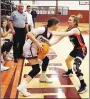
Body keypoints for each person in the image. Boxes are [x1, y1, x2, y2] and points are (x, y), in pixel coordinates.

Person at [17, 17, 60, 96]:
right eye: (58, 25)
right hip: (29, 48)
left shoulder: (49, 34)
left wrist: (62, 37)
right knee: (36, 69)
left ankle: (43, 77)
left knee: (46, 59)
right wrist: (37, 43)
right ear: (54, 25)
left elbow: (50, 44)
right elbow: (29, 34)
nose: (58, 26)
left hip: (34, 49)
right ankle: (22, 86)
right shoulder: (42, 29)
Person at [50, 15, 87, 94]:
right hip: (75, 49)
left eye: (70, 20)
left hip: (82, 50)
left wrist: (52, 32)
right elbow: (58, 39)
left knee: (75, 66)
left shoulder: (75, 30)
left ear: (74, 22)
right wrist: (49, 44)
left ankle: (83, 85)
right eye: (68, 19)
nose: (68, 21)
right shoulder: (68, 29)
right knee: (67, 60)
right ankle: (70, 71)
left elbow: (67, 33)